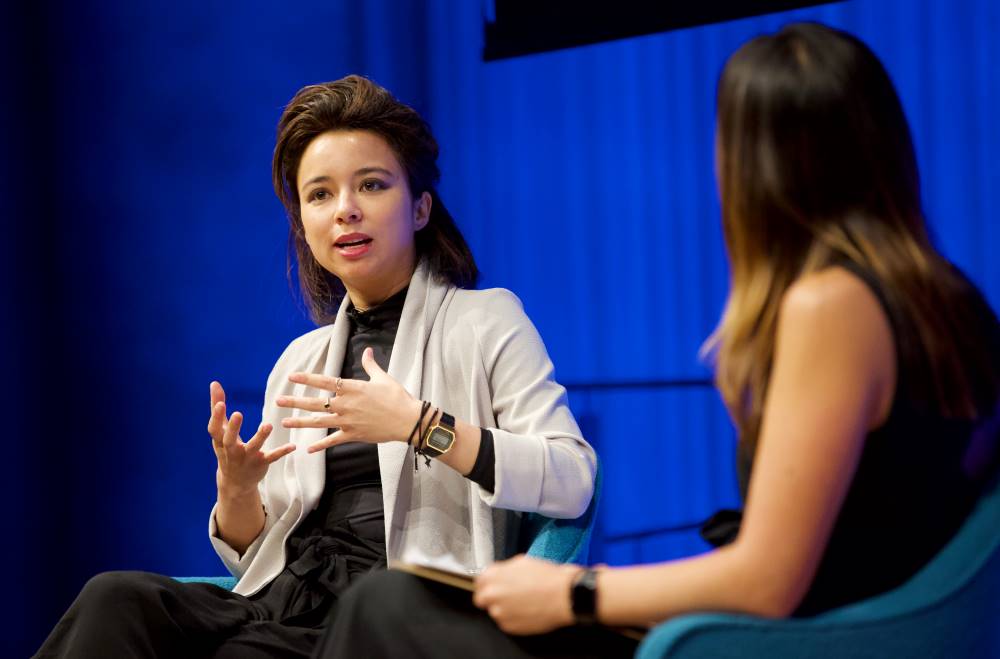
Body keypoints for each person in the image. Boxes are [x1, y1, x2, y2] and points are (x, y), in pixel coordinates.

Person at [316, 22, 1000, 659]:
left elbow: (769, 578)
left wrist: (576, 592)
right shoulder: (949, 298)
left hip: (789, 642)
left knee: (386, 602)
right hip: (832, 627)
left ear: (753, 166)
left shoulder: (832, 306)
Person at [34, 75, 596, 659]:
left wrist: (420, 424)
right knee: (114, 597)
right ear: (303, 222)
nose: (346, 211)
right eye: (320, 195)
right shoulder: (301, 360)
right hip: (291, 600)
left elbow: (573, 479)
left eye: (372, 185)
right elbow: (259, 551)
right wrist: (238, 492)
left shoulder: (487, 321)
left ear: (421, 207)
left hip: (396, 610)